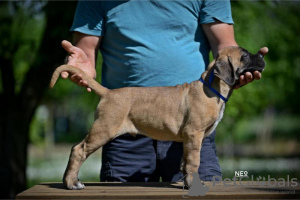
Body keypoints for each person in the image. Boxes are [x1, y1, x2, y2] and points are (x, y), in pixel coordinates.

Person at [61, 0, 268, 182]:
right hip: (127, 131)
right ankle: (71, 175)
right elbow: (86, 50)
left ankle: (190, 174)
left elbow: (226, 48)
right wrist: (83, 64)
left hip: (194, 130)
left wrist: (242, 68)